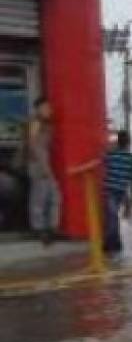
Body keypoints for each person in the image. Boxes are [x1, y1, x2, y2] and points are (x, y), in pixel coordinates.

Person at [25, 98, 61, 246]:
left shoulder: (46, 125)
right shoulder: (35, 122)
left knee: (54, 196)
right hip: (38, 165)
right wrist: (42, 165)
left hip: (44, 163)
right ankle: (40, 229)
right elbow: (32, 144)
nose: (49, 110)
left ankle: (51, 228)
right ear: (39, 108)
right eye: (46, 107)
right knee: (39, 198)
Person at [102, 131, 132, 254]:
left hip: (111, 190)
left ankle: (110, 243)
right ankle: (114, 243)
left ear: (118, 141)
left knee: (112, 216)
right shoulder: (131, 158)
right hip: (120, 191)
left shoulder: (111, 155)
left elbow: (103, 157)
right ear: (128, 142)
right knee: (113, 216)